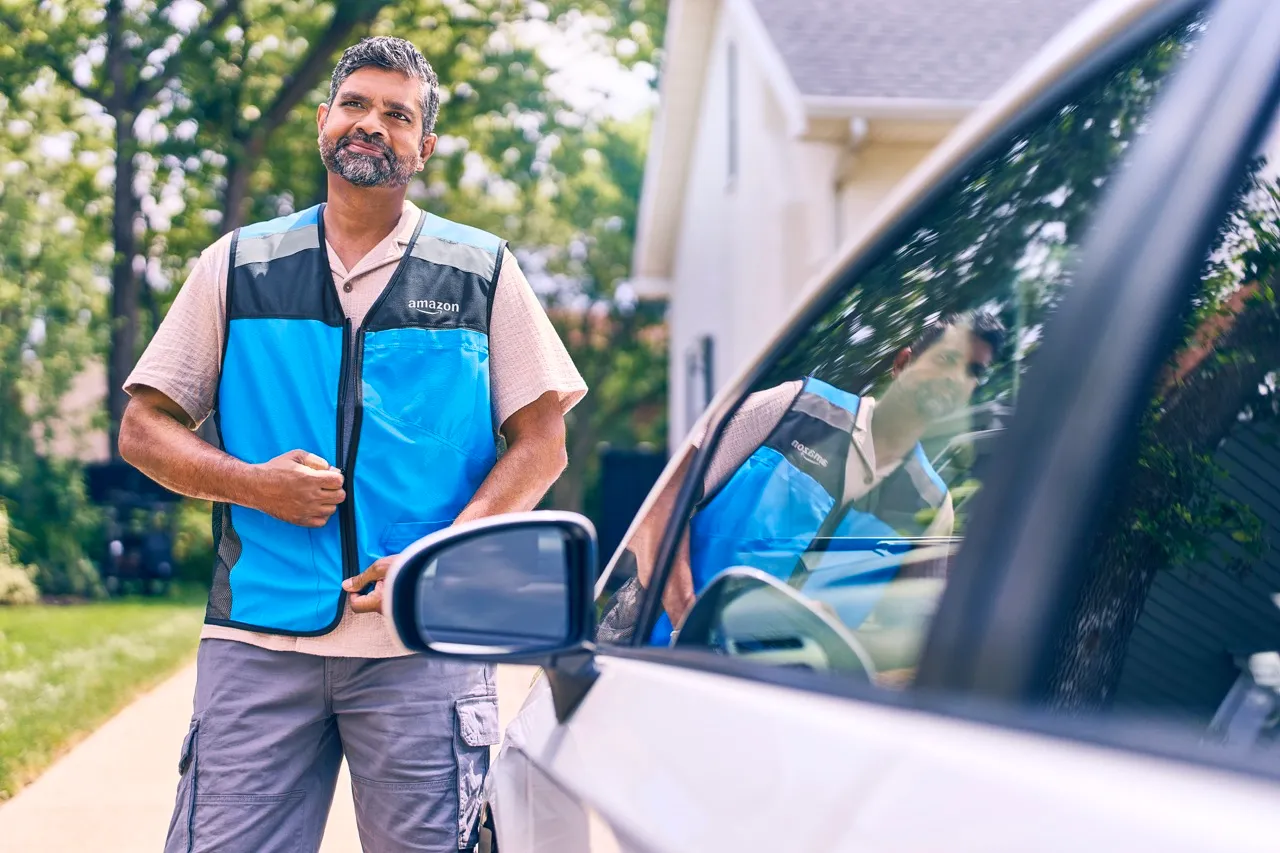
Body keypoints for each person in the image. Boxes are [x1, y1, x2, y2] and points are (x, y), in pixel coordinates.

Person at [118, 37, 586, 853]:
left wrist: (440, 553)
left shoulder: (483, 271)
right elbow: (143, 427)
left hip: (421, 642)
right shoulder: (236, 265)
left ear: (423, 147)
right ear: (325, 123)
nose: (373, 124)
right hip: (258, 638)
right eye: (357, 104)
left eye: (398, 115)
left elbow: (542, 444)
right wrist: (254, 484)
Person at [615, 311, 1003, 646]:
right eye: (947, 358)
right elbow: (660, 506)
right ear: (902, 363)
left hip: (780, 711)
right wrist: (690, 624)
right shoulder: (794, 406)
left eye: (973, 372)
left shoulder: (931, 505)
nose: (956, 378)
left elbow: (908, 636)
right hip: (652, 658)